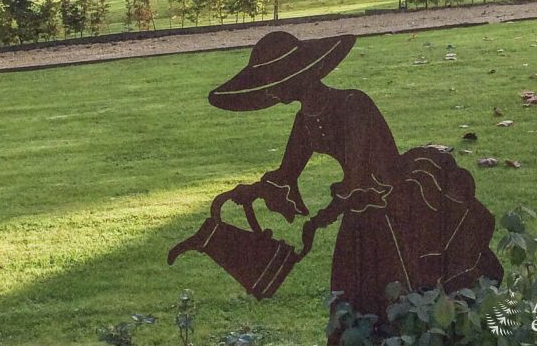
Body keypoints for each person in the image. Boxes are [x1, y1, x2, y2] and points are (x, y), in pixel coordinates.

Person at [208, 31, 503, 343]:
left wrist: (320, 220)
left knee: (404, 282)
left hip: (395, 202)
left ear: (298, 75)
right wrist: (251, 191)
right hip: (360, 208)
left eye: (276, 81)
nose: (272, 90)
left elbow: (358, 176)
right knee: (351, 287)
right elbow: (286, 174)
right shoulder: (305, 120)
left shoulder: (353, 105)